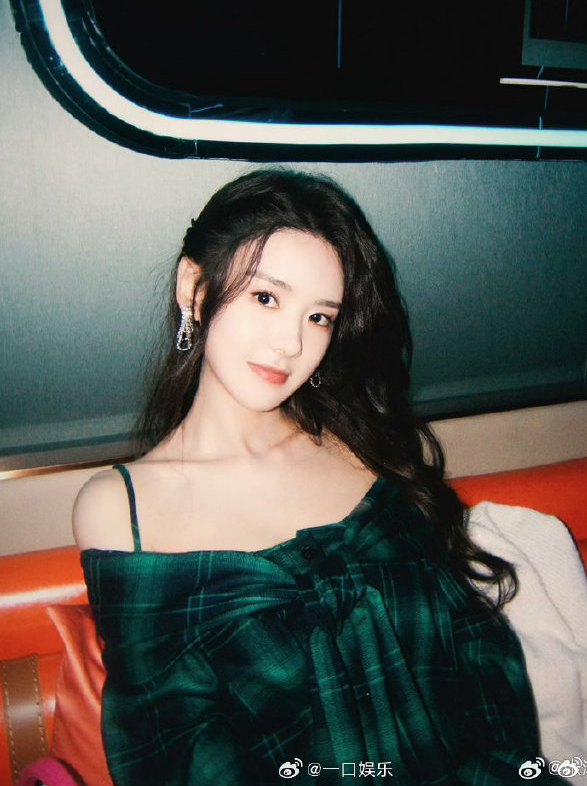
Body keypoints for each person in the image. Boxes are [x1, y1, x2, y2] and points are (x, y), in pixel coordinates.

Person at [73, 168, 560, 786]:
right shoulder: (121, 509)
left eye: (320, 317)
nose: (290, 343)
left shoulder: (361, 448)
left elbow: (474, 644)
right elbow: (177, 751)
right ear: (194, 288)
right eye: (266, 297)